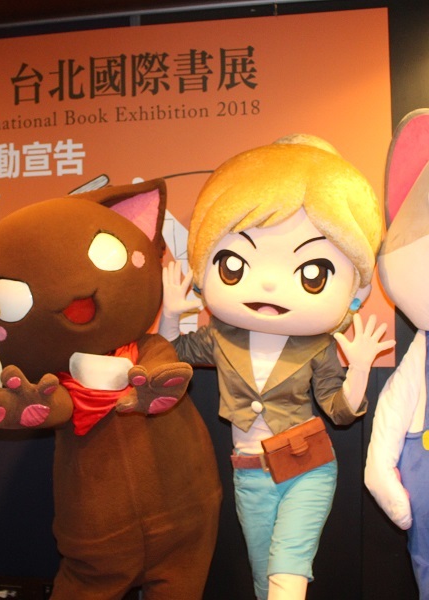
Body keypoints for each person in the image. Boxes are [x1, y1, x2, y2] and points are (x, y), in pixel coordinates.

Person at [159, 135, 393, 600]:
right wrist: (169, 315)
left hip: (308, 466)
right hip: (249, 472)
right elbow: (169, 357)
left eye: (312, 272)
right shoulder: (221, 338)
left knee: (288, 572)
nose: (268, 284)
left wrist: (361, 367)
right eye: (234, 264)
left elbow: (339, 411)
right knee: (263, 576)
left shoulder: (319, 346)